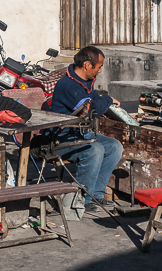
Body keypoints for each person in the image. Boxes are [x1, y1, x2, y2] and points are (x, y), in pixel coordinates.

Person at [51, 46, 123, 213]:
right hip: (63, 138)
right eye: (98, 67)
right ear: (87, 65)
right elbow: (90, 109)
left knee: (114, 147)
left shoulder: (86, 81)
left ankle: (96, 194)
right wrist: (107, 99)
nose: (100, 70)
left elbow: (95, 99)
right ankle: (83, 198)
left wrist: (104, 101)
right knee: (95, 149)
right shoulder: (68, 85)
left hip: (83, 133)